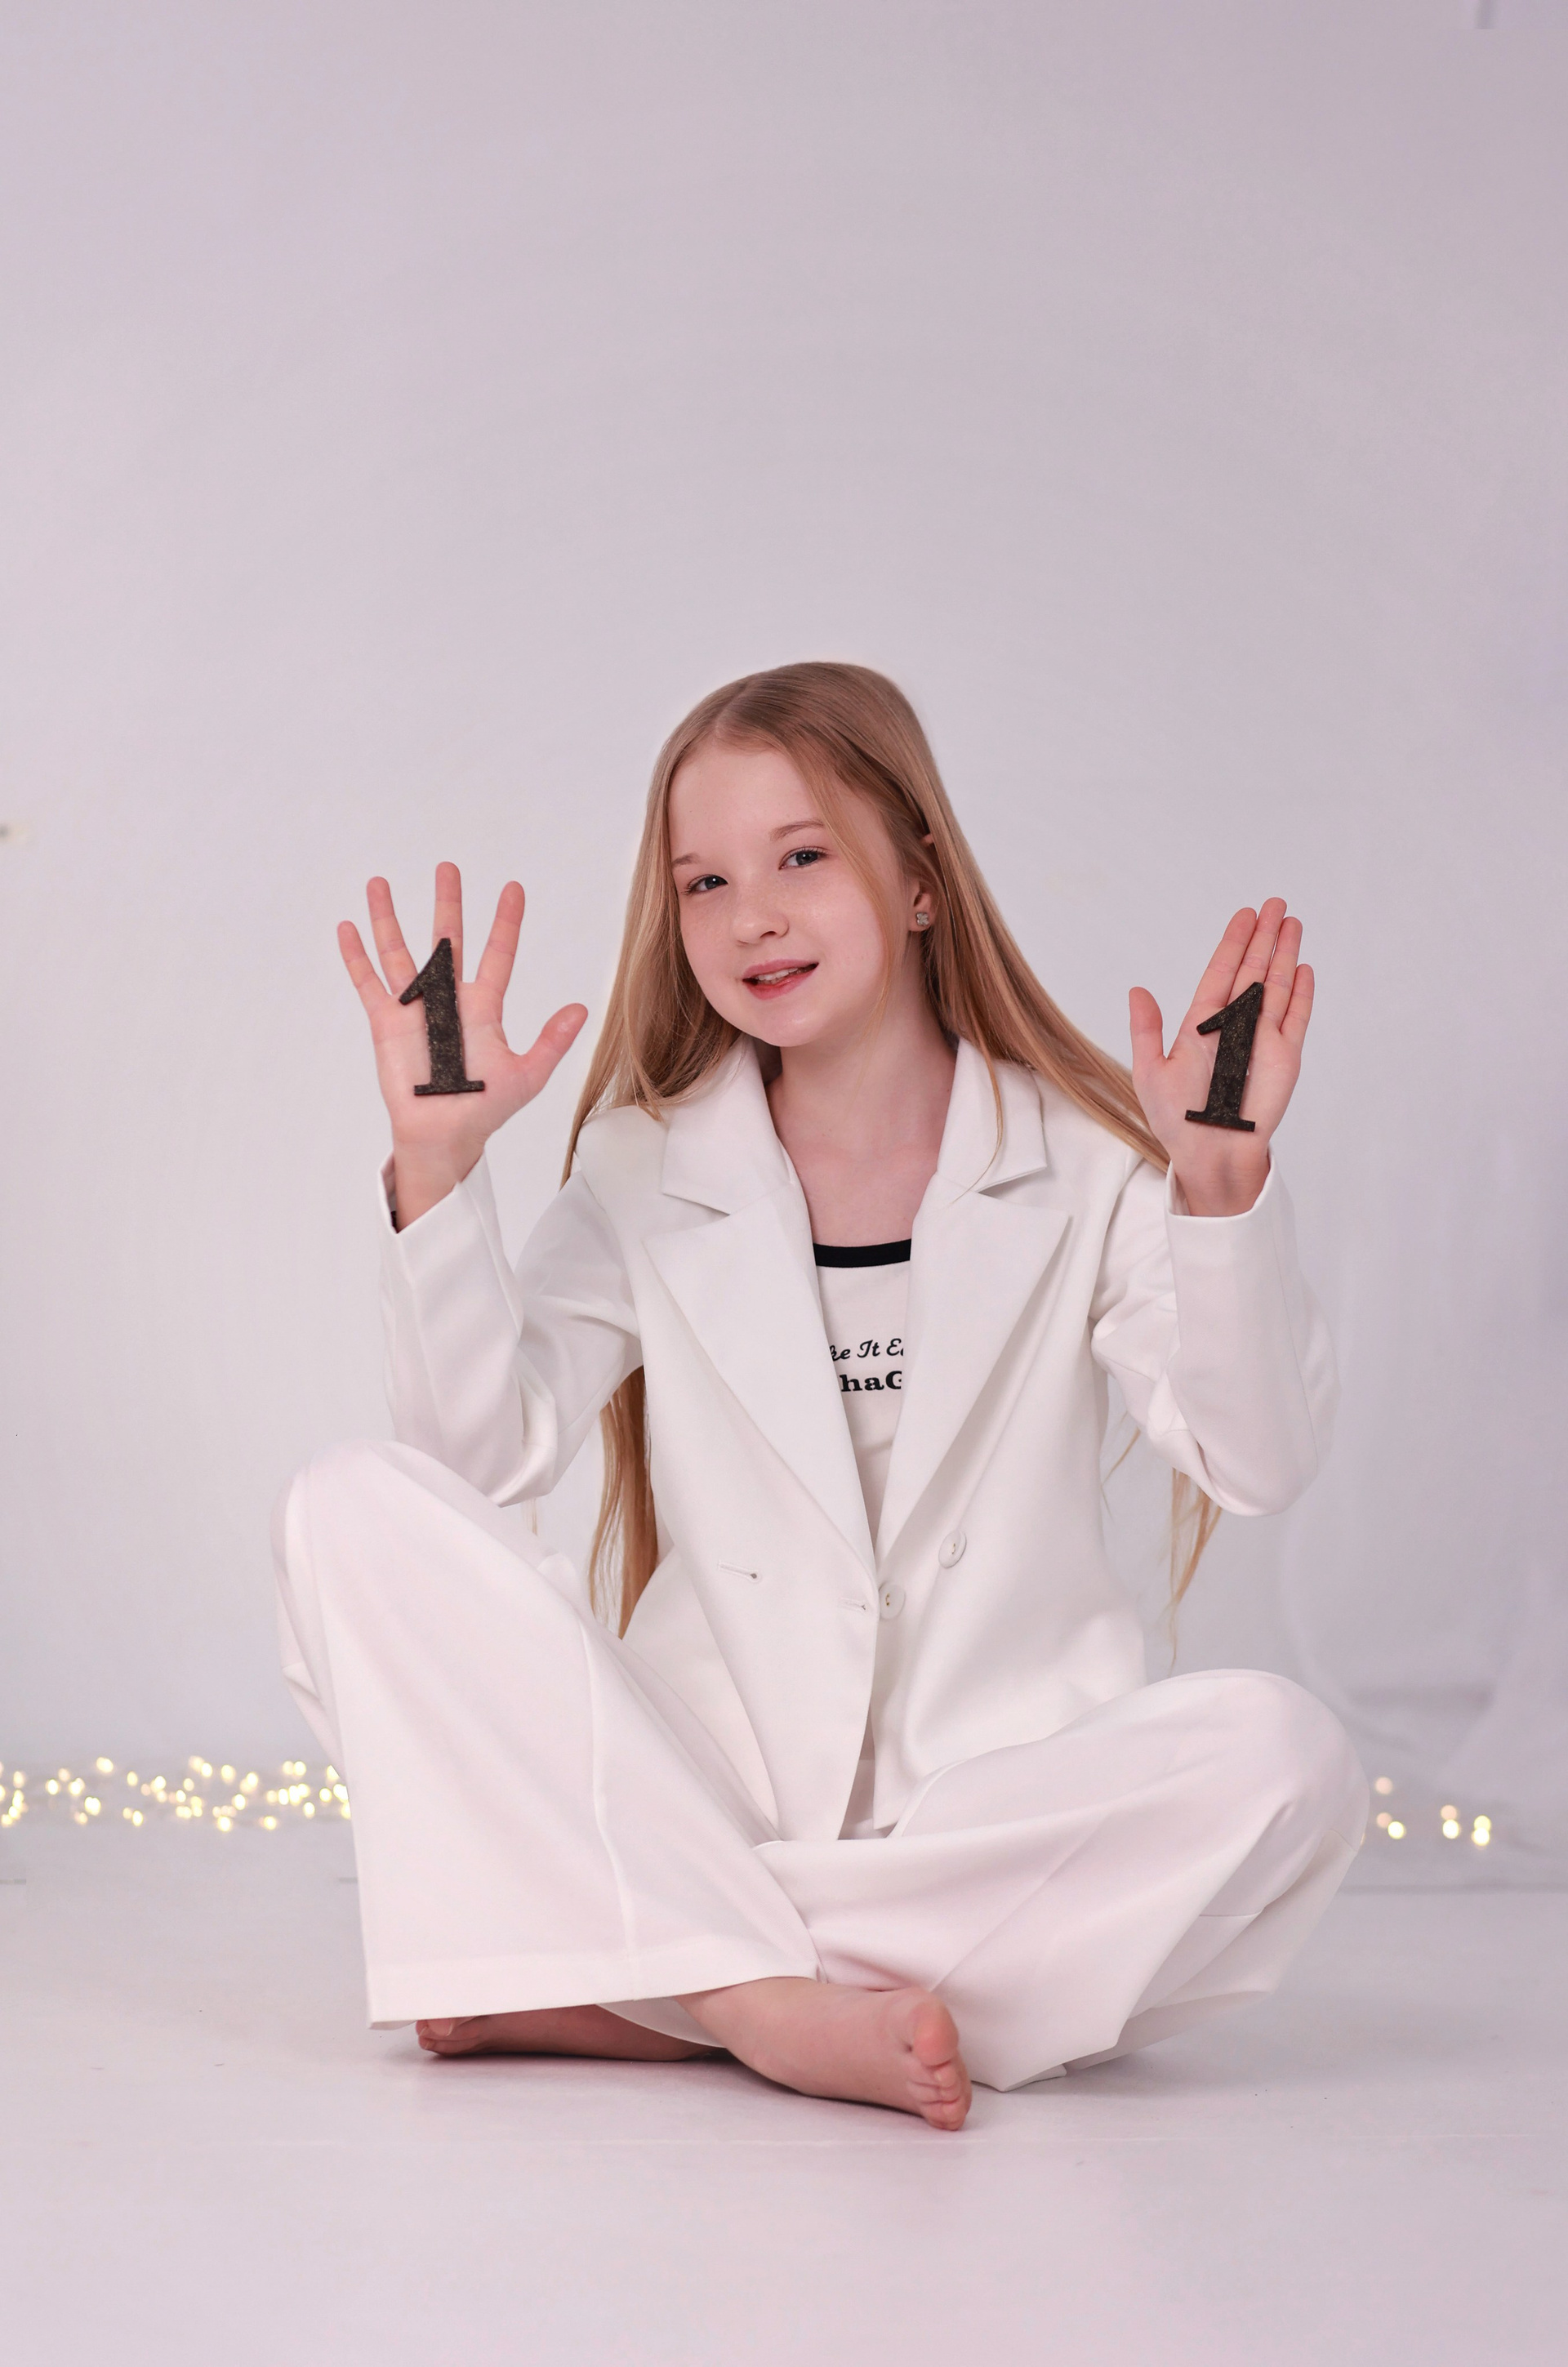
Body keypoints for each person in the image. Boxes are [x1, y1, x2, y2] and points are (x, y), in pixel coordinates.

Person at [274, 661, 1365, 2133]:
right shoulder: (646, 1166)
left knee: (1288, 1762)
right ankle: (760, 2005)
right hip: (704, 1788)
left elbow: (1254, 1460)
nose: (752, 917)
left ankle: (660, 1971)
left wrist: (1218, 1193)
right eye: (706, 882)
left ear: (919, 880)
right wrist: (437, 1168)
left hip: (985, 1807)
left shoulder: (1091, 1164)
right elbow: (473, 1462)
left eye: (802, 857)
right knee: (343, 1509)